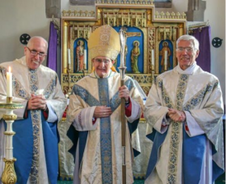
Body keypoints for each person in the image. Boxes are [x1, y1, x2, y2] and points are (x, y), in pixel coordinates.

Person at [67, 25, 144, 184]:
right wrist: (92, 112)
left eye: (106, 61)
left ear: (113, 61)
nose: (102, 65)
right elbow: (72, 115)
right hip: (92, 142)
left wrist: (128, 101)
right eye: (98, 60)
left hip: (118, 140)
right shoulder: (81, 85)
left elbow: (139, 111)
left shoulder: (126, 82)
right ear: (92, 60)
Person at [145, 35, 224, 184]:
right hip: (167, 141)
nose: (184, 53)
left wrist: (186, 116)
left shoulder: (210, 81)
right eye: (181, 49)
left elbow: (216, 110)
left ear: (197, 53)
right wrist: (166, 113)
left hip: (196, 140)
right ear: (175, 52)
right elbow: (149, 107)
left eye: (189, 49)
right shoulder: (162, 79)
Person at [0, 36, 67, 184]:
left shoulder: (51, 75)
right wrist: (25, 105)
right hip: (15, 135)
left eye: (42, 53)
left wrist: (46, 105)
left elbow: (61, 101)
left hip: (43, 138)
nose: (37, 57)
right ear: (25, 50)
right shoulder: (5, 69)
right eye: (34, 51)